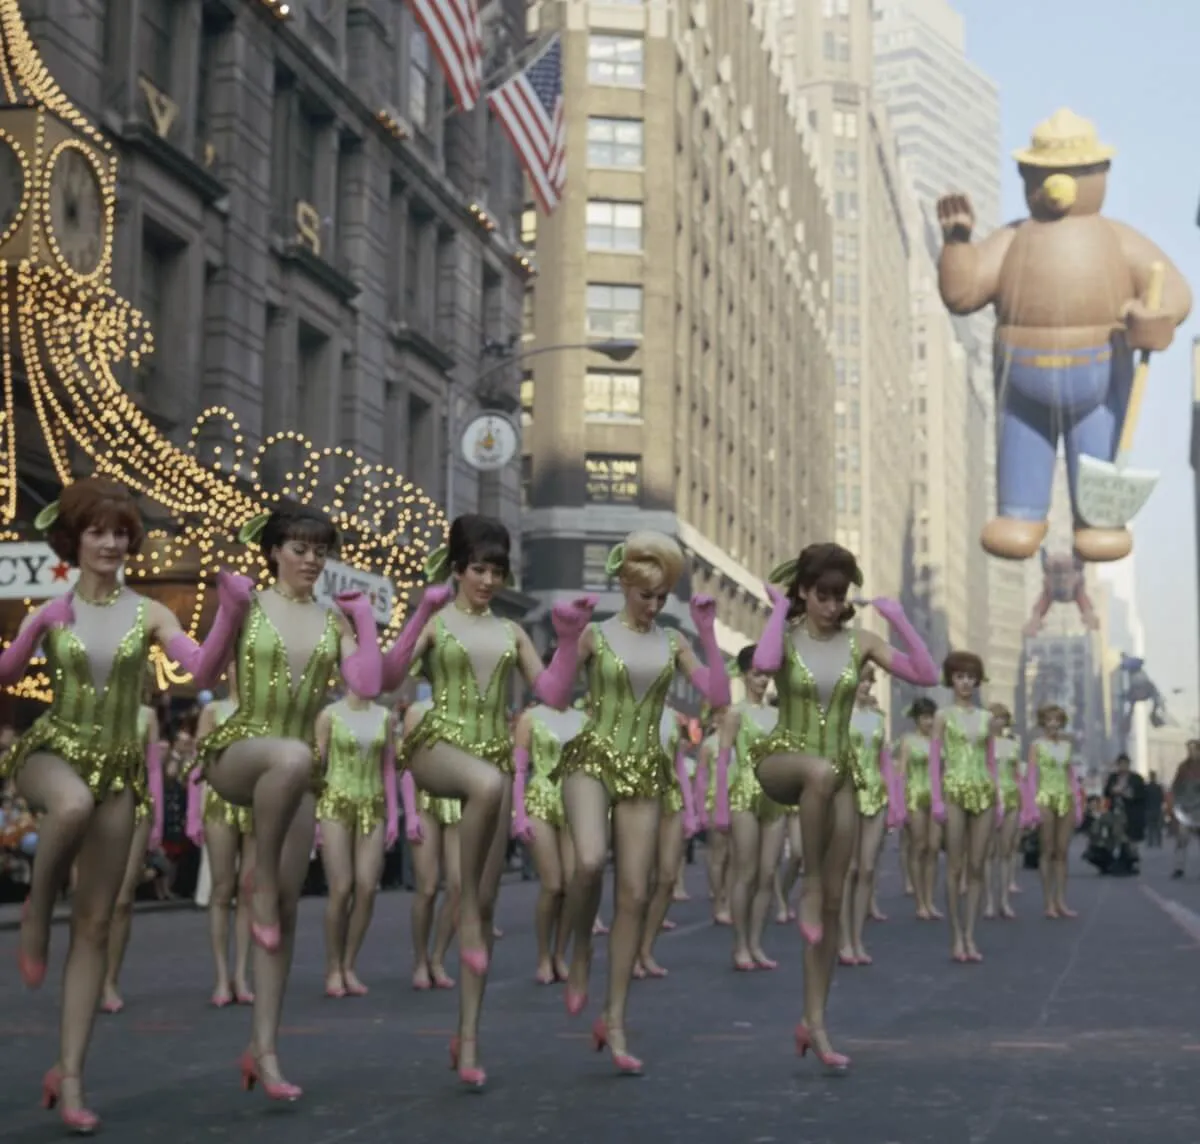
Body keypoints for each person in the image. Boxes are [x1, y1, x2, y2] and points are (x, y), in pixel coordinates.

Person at [2, 477, 252, 1131]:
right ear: (74, 539)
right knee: (74, 805)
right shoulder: (53, 609)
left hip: (119, 771)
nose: (111, 543)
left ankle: (72, 1077)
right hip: (51, 753)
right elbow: (5, 672)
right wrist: (29, 637)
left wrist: (229, 610)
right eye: (97, 532)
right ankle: (35, 907)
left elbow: (198, 671)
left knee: (94, 928)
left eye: (120, 532)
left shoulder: (150, 613)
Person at [380, 513, 594, 1088]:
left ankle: (468, 1040)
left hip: (493, 756)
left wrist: (569, 640)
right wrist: (419, 613)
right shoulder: (436, 620)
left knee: (489, 898)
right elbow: (387, 674)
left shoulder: (510, 632)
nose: (488, 580)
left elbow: (551, 692)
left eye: (497, 570)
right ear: (457, 569)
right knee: (487, 797)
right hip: (436, 746)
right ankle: (465, 912)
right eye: (479, 568)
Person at [195, 502, 382, 1102]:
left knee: (289, 915)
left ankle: (265, 1053)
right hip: (241, 752)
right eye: (299, 547)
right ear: (273, 550)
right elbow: (203, 671)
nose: (311, 559)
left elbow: (369, 686)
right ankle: (261, 886)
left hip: (296, 774)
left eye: (320, 550)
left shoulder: (333, 621)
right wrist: (226, 609)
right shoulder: (248, 605)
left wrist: (365, 624)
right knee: (270, 880)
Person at [749, 542, 937, 1070]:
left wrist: (897, 618)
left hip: (840, 777)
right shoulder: (783, 637)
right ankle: (804, 884)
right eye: (823, 595)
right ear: (804, 592)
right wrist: (777, 613)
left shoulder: (860, 644)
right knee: (817, 776)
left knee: (834, 910)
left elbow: (927, 675)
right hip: (782, 760)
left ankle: (815, 1024)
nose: (833, 605)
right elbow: (763, 665)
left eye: (840, 596)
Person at [553, 530, 731, 1075]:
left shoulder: (672, 642)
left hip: (646, 769)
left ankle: (617, 1018)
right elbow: (555, 695)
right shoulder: (594, 636)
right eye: (644, 594)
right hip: (591, 757)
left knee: (635, 892)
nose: (653, 605)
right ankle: (580, 949)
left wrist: (706, 633)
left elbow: (718, 697)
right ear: (624, 584)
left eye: (661, 596)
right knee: (586, 863)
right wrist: (565, 640)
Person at [314, 685, 399, 998]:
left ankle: (349, 964)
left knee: (366, 887)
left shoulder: (384, 717)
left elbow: (388, 767)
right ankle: (333, 966)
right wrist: (313, 818)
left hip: (372, 804)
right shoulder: (329, 715)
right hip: (335, 803)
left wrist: (393, 814)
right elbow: (317, 765)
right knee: (341, 887)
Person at [187, 669, 255, 1007]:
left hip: (255, 802)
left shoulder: (264, 712)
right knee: (222, 888)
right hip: (219, 800)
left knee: (248, 889)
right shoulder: (213, 710)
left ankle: (241, 974)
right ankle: (220, 976)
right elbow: (200, 760)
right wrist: (194, 814)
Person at [716, 646, 785, 971]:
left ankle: (756, 942)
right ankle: (739, 944)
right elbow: (723, 758)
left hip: (776, 792)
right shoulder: (735, 713)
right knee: (746, 871)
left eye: (766, 674)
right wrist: (719, 805)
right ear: (744, 674)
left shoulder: (777, 715)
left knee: (768, 873)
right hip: (744, 790)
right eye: (757, 674)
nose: (762, 681)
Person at [513, 690, 585, 983]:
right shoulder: (530, 718)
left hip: (574, 801)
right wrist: (518, 813)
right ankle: (543, 956)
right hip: (541, 799)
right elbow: (518, 769)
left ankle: (559, 954)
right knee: (552, 884)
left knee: (572, 884)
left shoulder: (583, 720)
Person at [929, 651, 997, 963]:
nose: (966, 683)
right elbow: (933, 761)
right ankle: (956, 934)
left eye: (971, 677)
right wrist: (937, 799)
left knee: (977, 866)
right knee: (955, 866)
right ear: (951, 680)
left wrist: (997, 800)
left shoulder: (986, 719)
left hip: (984, 789)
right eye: (959, 677)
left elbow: (991, 761)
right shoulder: (943, 716)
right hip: (954, 788)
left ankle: (971, 934)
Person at [99, 702, 163, 1014]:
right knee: (95, 901)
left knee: (123, 899)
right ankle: (89, 975)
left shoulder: (146, 715)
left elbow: (153, 770)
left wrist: (157, 822)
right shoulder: (93, 704)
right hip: (97, 806)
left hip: (137, 806)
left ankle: (110, 979)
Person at [837, 665, 902, 967]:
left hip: (875, 793)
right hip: (846, 793)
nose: (864, 686)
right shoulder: (837, 715)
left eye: (868, 681)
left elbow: (886, 762)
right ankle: (843, 939)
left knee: (866, 868)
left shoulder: (878, 720)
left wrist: (896, 803)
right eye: (859, 680)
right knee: (847, 868)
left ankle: (858, 937)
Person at [401, 698, 462, 992]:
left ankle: (438, 958)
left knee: (458, 886)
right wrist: (410, 813)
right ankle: (420, 960)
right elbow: (407, 766)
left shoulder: (467, 709)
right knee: (427, 887)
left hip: (459, 802)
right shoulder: (417, 711)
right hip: (426, 802)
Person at [635, 707, 699, 977]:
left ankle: (646, 949)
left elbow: (679, 765)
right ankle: (632, 951)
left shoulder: (673, 717)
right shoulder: (626, 707)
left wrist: (690, 810)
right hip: (638, 797)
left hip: (670, 797)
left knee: (667, 877)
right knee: (640, 882)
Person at [1026, 706, 1084, 914]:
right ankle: (1048, 901)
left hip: (1065, 797)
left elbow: (1072, 776)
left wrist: (1077, 804)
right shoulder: (1036, 746)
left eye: (1057, 720)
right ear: (1043, 722)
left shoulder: (1067, 746)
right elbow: (1031, 777)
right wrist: (1031, 807)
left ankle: (1061, 900)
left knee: (1062, 852)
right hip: (1045, 797)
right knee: (1047, 850)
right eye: (1049, 720)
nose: (1053, 724)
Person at [1102, 753, 1145, 875]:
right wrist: (1113, 790)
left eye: (1125, 764)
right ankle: (1116, 858)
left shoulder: (1136, 779)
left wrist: (1127, 794)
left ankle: (1131, 860)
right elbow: (1106, 792)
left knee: (1130, 839)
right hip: (1116, 811)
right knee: (1116, 834)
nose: (1122, 767)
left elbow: (1140, 795)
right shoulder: (1113, 778)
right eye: (1120, 764)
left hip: (1131, 813)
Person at [1144, 770, 1164, 848]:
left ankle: (1150, 842)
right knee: (1158, 828)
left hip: (1149, 809)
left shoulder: (1146, 787)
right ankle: (1159, 843)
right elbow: (1162, 798)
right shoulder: (1158, 787)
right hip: (1157, 809)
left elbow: (1144, 799)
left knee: (1150, 828)